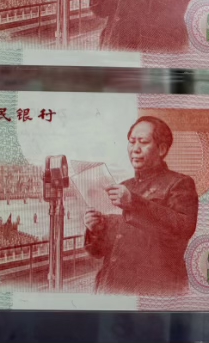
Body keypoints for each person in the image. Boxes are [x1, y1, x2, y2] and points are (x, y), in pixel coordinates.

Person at [84, 115, 198, 296]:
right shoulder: (125, 186)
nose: (135, 149)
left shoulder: (179, 183)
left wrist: (133, 202)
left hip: (154, 290)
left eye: (143, 142)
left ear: (161, 149)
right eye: (131, 142)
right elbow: (99, 252)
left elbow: (183, 228)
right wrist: (97, 229)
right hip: (111, 287)